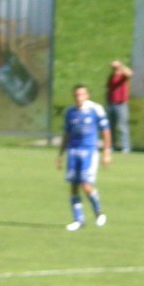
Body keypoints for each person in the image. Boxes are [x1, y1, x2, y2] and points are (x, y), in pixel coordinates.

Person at [57, 84, 111, 232]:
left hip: (89, 152)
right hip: (73, 152)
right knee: (73, 186)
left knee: (86, 185)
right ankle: (78, 220)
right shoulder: (70, 112)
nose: (79, 97)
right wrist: (61, 154)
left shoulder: (95, 110)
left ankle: (99, 212)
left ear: (87, 96)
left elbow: (106, 131)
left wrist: (106, 152)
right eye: (76, 95)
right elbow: (66, 134)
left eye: (82, 94)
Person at [105, 59, 132, 153]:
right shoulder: (112, 76)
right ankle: (111, 145)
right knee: (111, 126)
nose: (114, 69)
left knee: (122, 126)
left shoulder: (123, 76)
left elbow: (130, 73)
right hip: (111, 103)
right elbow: (108, 88)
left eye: (115, 67)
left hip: (121, 104)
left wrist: (120, 65)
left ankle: (125, 147)